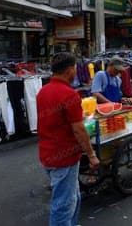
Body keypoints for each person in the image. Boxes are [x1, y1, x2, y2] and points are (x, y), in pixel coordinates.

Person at [37, 52, 100, 226]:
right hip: (64, 157)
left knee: (73, 196)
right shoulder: (69, 94)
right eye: (74, 69)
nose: (76, 73)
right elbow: (79, 129)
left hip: (47, 154)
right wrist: (92, 154)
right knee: (63, 204)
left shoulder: (42, 91)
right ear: (69, 70)